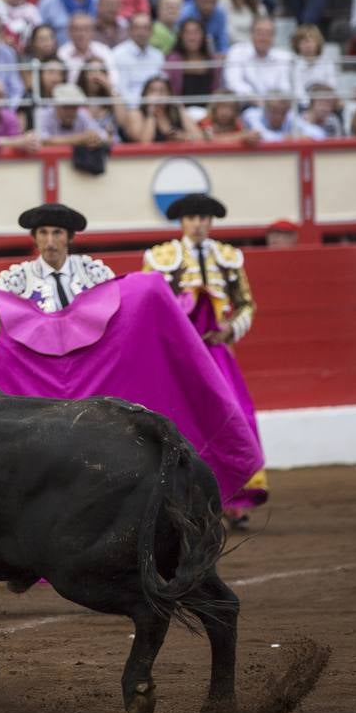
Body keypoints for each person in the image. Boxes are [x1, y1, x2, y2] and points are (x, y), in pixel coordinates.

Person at [143, 193, 266, 526]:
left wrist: (229, 329)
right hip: (183, 358)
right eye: (192, 217)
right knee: (184, 421)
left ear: (211, 222)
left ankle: (234, 499)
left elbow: (247, 305)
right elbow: (152, 305)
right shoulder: (161, 258)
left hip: (217, 352)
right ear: (182, 222)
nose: (198, 223)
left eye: (204, 218)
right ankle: (184, 499)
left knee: (234, 416)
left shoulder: (227, 259)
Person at [0, 203, 114, 313]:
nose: (50, 242)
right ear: (34, 237)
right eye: (43, 233)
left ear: (70, 237)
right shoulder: (16, 280)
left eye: (57, 233)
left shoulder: (93, 273)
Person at [223, 16, 293, 104]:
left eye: (268, 33)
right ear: (251, 34)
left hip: (277, 107)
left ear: (274, 37)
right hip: (245, 105)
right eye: (259, 33)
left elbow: (285, 86)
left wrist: (272, 103)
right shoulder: (237, 52)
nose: (263, 38)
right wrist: (255, 99)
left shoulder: (284, 57)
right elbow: (233, 83)